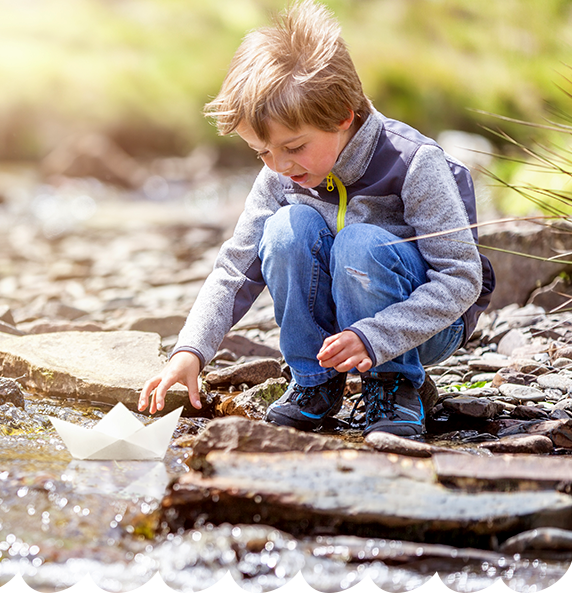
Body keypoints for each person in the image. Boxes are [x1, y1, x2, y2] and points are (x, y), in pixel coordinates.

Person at [138, 0, 494, 437]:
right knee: (286, 231)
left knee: (360, 243)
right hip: (341, 327)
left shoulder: (414, 163)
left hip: (426, 323)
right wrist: (190, 350)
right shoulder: (280, 175)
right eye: (262, 152)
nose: (279, 165)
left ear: (343, 115)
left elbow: (461, 278)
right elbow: (235, 268)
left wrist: (378, 337)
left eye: (293, 147)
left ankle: (394, 383)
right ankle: (315, 381)